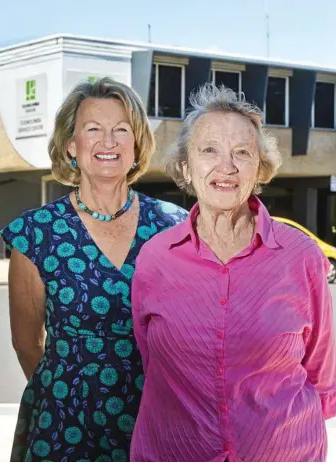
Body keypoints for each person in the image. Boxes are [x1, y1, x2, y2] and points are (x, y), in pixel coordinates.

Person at [130, 84, 336, 462]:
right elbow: (153, 362)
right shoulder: (154, 259)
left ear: (259, 168)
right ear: (185, 166)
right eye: (209, 150)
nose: (226, 167)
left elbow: (320, 371)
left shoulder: (301, 256)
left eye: (242, 152)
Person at [0, 77, 187, 462]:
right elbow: (26, 343)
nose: (109, 141)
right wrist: (69, 392)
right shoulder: (36, 233)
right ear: (71, 145)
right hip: (63, 422)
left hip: (152, 418)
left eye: (122, 130)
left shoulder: (174, 227)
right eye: (93, 129)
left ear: (136, 146)